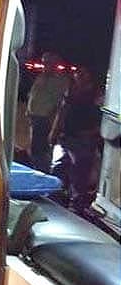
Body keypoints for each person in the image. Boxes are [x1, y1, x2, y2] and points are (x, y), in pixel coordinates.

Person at [49, 67, 102, 213]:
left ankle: (77, 206)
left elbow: (101, 116)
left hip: (83, 139)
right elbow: (62, 111)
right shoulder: (71, 91)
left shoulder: (95, 94)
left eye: (82, 72)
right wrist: (54, 131)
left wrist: (94, 132)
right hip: (65, 137)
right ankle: (56, 198)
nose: (78, 74)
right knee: (58, 168)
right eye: (77, 72)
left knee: (79, 175)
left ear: (90, 76)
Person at [27, 52, 71, 173]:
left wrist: (54, 123)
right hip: (35, 117)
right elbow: (34, 95)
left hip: (46, 119)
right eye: (44, 62)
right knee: (35, 149)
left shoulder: (60, 80)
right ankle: (37, 171)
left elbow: (61, 103)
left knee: (41, 151)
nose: (45, 65)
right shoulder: (42, 76)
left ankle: (43, 174)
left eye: (48, 62)